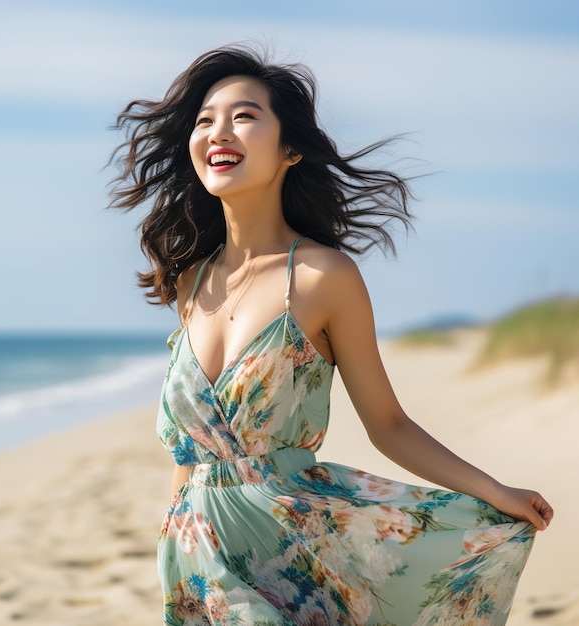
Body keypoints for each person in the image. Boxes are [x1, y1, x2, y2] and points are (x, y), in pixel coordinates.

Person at [110, 45, 553, 625]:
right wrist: (168, 543)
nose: (219, 130)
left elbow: (387, 425)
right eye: (204, 120)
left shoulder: (323, 277)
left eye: (244, 115)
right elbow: (189, 452)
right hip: (196, 558)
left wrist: (496, 493)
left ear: (290, 149)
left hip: (289, 546)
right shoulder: (190, 281)